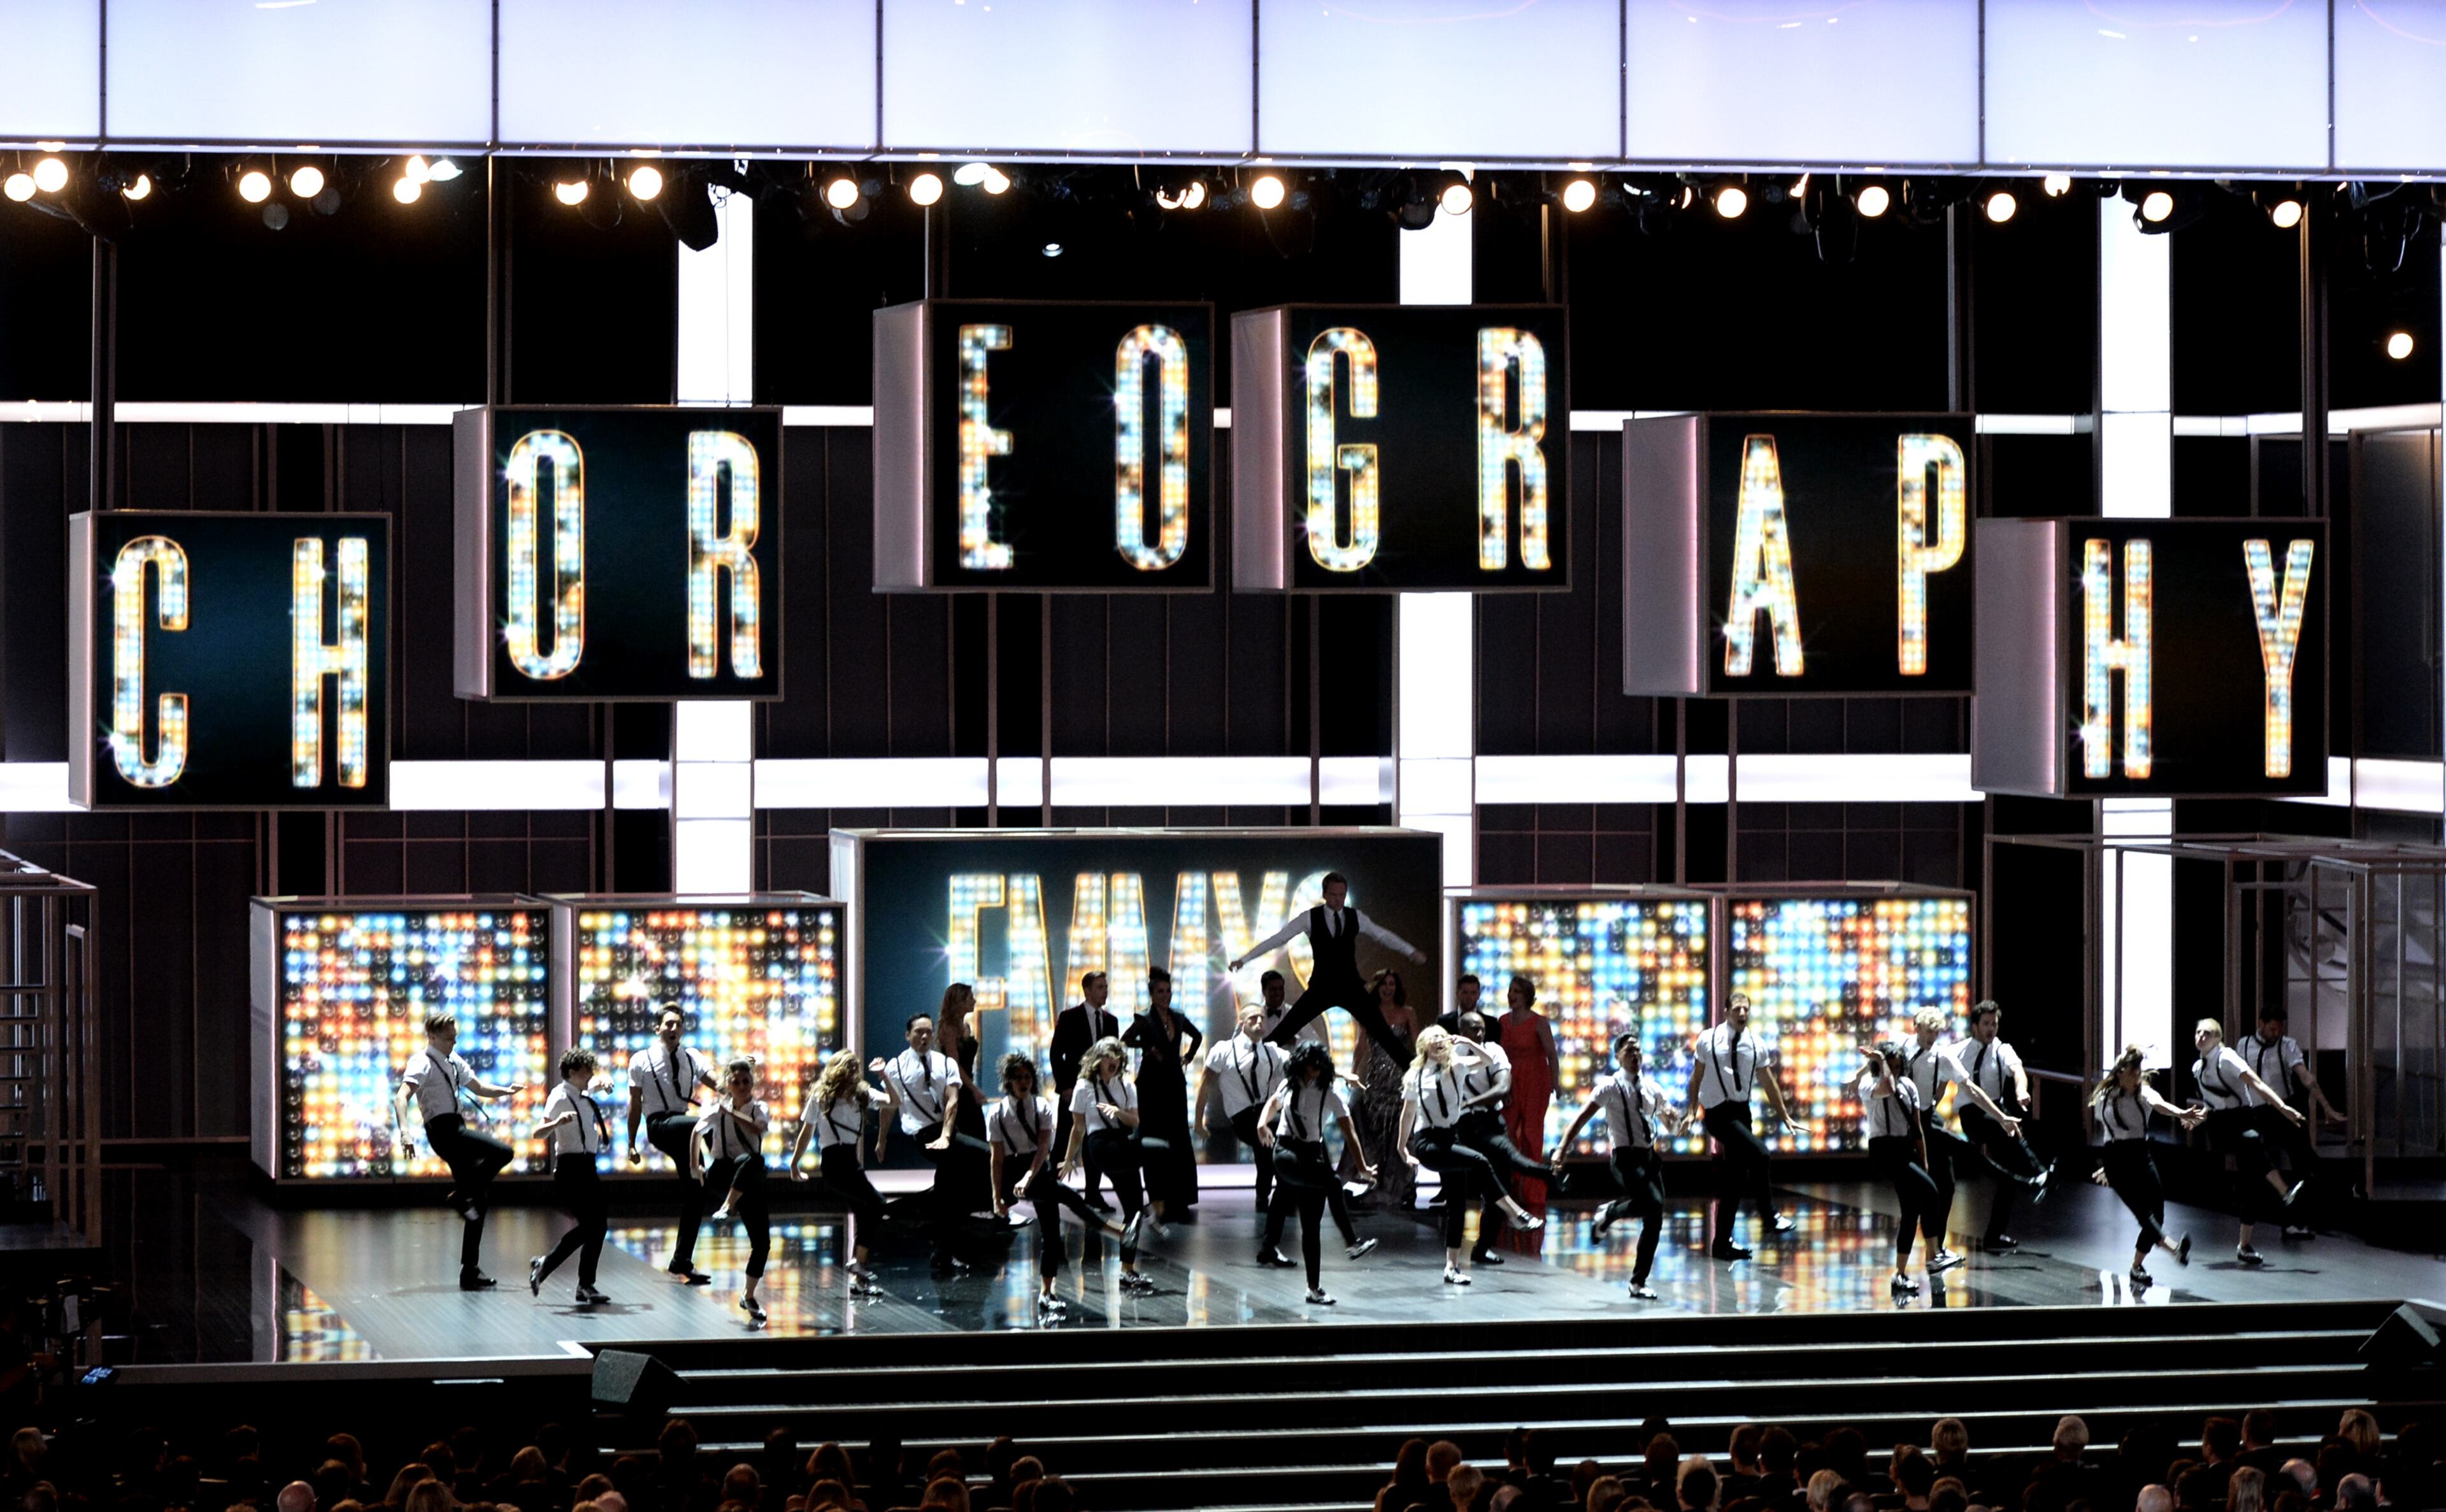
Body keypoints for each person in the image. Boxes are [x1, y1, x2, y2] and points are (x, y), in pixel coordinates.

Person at [1228, 873, 1429, 1065]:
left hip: (1351, 987)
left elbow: (1382, 935)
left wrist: (1411, 952)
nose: (1338, 899)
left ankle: (1419, 1075)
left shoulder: (1355, 917)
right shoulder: (1310, 918)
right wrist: (1244, 959)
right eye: (1333, 894)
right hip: (1322, 987)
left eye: (1342, 894)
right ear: (1324, 895)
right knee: (1285, 1030)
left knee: (1384, 1034)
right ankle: (1247, 1062)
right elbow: (1280, 938)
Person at [1398, 1025, 1545, 1286]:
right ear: (1423, 1046)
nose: (1439, 1042)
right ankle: (1514, 1213)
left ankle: (1451, 1267)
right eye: (1433, 1039)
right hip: (1427, 1142)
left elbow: (1487, 1060)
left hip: (1450, 1137)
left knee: (1457, 1206)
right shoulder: (1415, 1076)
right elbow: (1408, 1113)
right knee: (1479, 1161)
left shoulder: (1458, 1066)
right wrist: (1402, 1148)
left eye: (1442, 1037)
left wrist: (1467, 1041)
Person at [989, 1052, 1131, 1316]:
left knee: (1052, 1234)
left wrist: (1030, 1176)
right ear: (1008, 1081)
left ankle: (1046, 1291)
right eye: (1018, 1078)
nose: (1024, 1082)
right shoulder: (997, 1113)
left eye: (1028, 1077)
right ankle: (1113, 1230)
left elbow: (1043, 1147)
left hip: (1036, 1171)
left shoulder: (1041, 1106)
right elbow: (997, 1159)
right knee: (1069, 1197)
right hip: (1014, 1172)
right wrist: (997, 1197)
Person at [394, 1011, 520, 1290]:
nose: (453, 1042)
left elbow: (478, 1087)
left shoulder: (453, 1061)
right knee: (504, 1153)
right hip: (444, 1131)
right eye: (449, 1038)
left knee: (479, 1203)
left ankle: (469, 1271)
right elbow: (401, 1097)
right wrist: (405, 1132)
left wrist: (506, 1091)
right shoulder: (422, 1062)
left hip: (455, 1127)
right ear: (433, 1037)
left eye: (455, 1038)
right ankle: (462, 1196)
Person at [1553, 1031, 1685, 1299]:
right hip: (1625, 1158)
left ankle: (1638, 1281)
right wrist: (1561, 1149)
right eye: (1628, 1051)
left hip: (1649, 1158)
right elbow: (1580, 1119)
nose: (1635, 1056)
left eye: (1637, 1051)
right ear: (1618, 1057)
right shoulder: (1609, 1087)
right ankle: (1610, 1212)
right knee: (1654, 1202)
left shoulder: (1653, 1089)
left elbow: (1672, 1126)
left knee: (1654, 1218)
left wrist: (1678, 1120)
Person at [1255, 1040, 1379, 1304]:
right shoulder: (1288, 1085)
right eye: (1312, 1065)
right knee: (1332, 1181)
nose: (1316, 1070)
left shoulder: (1330, 1094)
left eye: (1320, 1066)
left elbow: (1350, 1132)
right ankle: (1352, 1241)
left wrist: (1363, 1168)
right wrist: (1261, 1124)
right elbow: (1272, 1104)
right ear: (1302, 1064)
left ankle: (1314, 1288)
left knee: (1311, 1227)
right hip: (1286, 1153)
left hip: (1312, 1155)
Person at [1904, 1008, 2017, 1273]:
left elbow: (1971, 1089)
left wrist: (2001, 1116)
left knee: (1946, 1186)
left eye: (1936, 1032)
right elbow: (1879, 1063)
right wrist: (1859, 1077)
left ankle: (1936, 1251)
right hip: (1907, 1123)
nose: (1931, 1037)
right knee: (1923, 1191)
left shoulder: (1943, 1056)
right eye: (1927, 1031)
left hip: (1927, 1119)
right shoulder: (1904, 1047)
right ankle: (1927, 1253)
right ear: (1916, 1028)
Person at [1684, 993, 1795, 1262]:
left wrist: (1785, 1116)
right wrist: (1691, 1110)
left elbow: (1769, 1083)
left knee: (1735, 1182)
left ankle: (1721, 1244)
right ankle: (1769, 1216)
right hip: (1718, 1113)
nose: (1742, 1014)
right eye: (1737, 1009)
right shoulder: (1708, 1039)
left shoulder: (1756, 1045)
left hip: (1741, 1113)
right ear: (1726, 1012)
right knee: (1761, 1154)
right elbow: (1696, 1077)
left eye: (1746, 1009)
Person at [1447, 1002, 1558, 1267]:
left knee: (1500, 1182)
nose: (1480, 1035)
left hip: (1490, 1119)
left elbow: (1502, 1087)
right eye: (1474, 1030)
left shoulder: (1493, 1050)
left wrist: (1472, 1102)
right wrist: (1466, 1107)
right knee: (1506, 1157)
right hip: (1465, 1125)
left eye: (1483, 1029)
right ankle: (1548, 1175)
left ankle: (1483, 1246)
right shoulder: (1451, 1055)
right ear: (1462, 1031)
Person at [786, 1047, 898, 1298]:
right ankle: (857, 1266)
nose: (853, 1074)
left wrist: (884, 1076)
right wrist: (795, 1163)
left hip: (850, 1161)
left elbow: (895, 1102)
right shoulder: (822, 1096)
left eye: (855, 1070)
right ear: (837, 1071)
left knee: (865, 1213)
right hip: (834, 1163)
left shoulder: (862, 1095)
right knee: (877, 1205)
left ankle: (858, 1279)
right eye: (848, 1069)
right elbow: (807, 1132)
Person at [2191, 1018, 2305, 1265]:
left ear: (2218, 1038)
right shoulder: (2197, 1068)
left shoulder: (2227, 1057)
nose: (2201, 1037)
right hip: (2222, 1126)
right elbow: (2212, 1104)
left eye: (2207, 1033)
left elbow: (2256, 1083)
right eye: (2198, 1032)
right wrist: (2196, 1118)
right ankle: (2285, 1192)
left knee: (2250, 1185)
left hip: (2242, 1118)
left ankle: (2245, 1246)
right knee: (2252, 1141)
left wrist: (2284, 1108)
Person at [625, 1004, 722, 1285]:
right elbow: (635, 1103)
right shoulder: (641, 1059)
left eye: (677, 1024)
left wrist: (733, 1085)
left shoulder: (692, 1056)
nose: (673, 1029)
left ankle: (681, 1261)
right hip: (660, 1126)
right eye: (668, 1024)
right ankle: (724, 1164)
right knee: (704, 1121)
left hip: (685, 1130)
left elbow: (713, 1080)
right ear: (658, 1029)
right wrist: (631, 1143)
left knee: (696, 1195)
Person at [881, 1005, 983, 1269]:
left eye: (928, 1032)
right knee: (981, 1159)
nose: (924, 1037)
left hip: (946, 1132)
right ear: (908, 1036)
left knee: (949, 1188)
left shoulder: (945, 1062)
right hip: (923, 1134)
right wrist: (881, 1140)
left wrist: (948, 1135)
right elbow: (890, 1106)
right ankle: (914, 1216)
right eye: (918, 1033)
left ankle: (939, 1246)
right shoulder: (896, 1067)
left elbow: (953, 1099)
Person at [2089, 1044, 2200, 1284]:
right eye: (2132, 1074)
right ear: (2120, 1073)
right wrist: (2108, 1167)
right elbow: (2110, 1134)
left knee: (2157, 1212)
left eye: (2139, 1073)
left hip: (2140, 1153)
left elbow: (2160, 1105)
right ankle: (2174, 1249)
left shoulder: (2144, 1093)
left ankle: (2137, 1266)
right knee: (2142, 1212)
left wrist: (2182, 1113)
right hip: (2116, 1157)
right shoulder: (2105, 1098)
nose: (2137, 1078)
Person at [1057, 1036, 1161, 1294]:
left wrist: (1119, 1113)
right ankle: (1156, 1204)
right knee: (1161, 1150)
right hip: (1101, 1146)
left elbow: (1135, 1123)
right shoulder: (1084, 1087)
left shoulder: (1127, 1087)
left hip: (1122, 1144)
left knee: (1132, 1210)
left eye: (1117, 1056)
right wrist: (1070, 1158)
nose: (1113, 1061)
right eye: (1108, 1056)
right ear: (1098, 1060)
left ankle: (1128, 1270)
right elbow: (1078, 1127)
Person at [1949, 1001, 2053, 1253]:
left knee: (2009, 1177)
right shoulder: (1959, 1051)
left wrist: (2021, 1091)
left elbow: (2017, 1071)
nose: (1991, 1029)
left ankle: (1994, 1236)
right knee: (2007, 1128)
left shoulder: (2001, 1049)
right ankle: (2040, 1174)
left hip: (1998, 1109)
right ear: (1975, 1026)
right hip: (1973, 1114)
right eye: (1986, 1024)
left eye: (1994, 1024)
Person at [2237, 1006, 2343, 1236]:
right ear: (2261, 1023)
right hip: (2255, 1112)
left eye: (2279, 1029)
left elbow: (2305, 1076)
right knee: (2258, 1164)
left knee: (2305, 1162)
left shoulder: (2287, 1045)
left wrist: (2326, 1107)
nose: (2276, 1034)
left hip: (2283, 1111)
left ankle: (2303, 1218)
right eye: (2272, 1029)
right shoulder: (2243, 1045)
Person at [1854, 1041, 1947, 1295]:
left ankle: (1900, 1274)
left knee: (1912, 1209)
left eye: (1897, 1066)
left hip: (1904, 1148)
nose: (1893, 1071)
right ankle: (1934, 1255)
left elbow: (1917, 1128)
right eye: (1889, 1065)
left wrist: (1924, 1161)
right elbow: (1887, 1087)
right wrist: (1881, 1063)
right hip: (1883, 1149)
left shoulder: (1910, 1087)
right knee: (1931, 1193)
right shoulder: (1869, 1085)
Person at [693, 1055, 775, 1322]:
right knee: (751, 1161)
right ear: (727, 1084)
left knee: (762, 1242)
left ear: (752, 1084)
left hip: (747, 1180)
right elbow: (696, 1132)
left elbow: (758, 1128)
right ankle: (727, 1205)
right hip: (722, 1174)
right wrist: (696, 1166)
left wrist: (733, 1114)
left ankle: (748, 1295)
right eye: (736, 1082)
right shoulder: (718, 1109)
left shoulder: (758, 1108)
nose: (741, 1086)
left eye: (745, 1082)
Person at [529, 1047, 613, 1304]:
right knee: (591, 1226)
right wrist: (557, 1123)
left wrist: (603, 1082)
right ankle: (550, 1265)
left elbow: (593, 1087)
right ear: (573, 1072)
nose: (591, 1075)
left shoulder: (582, 1094)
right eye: (587, 1071)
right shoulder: (559, 1096)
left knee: (598, 1227)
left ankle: (585, 1285)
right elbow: (538, 1133)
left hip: (588, 1166)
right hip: (570, 1169)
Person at [1198, 1000, 1289, 1220]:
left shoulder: (1271, 1051)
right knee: (1266, 1144)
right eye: (1253, 1019)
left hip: (1266, 1114)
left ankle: (1269, 1194)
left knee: (1272, 1145)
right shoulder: (1224, 1050)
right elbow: (1205, 1084)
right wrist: (1197, 1120)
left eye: (1262, 1018)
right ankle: (1268, 1193)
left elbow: (1302, 1064)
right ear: (1242, 1024)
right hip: (1242, 1116)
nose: (1259, 1022)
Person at [1124, 967, 1204, 1212]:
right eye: (1161, 991)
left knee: (1180, 1137)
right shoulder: (1144, 1018)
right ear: (1152, 994)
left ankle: (1182, 1195)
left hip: (1175, 1083)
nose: (1166, 995)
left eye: (1168, 991)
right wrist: (1147, 1049)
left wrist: (1188, 1057)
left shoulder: (1178, 1017)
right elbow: (1125, 1040)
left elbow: (1197, 1036)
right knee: (1154, 1140)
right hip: (1150, 1086)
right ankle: (1158, 1195)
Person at [1345, 968, 1420, 1211]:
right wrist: (1353, 1070)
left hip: (1401, 1080)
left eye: (1392, 984)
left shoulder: (1408, 1013)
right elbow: (1361, 1045)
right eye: (1384, 984)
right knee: (1377, 1133)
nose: (1389, 988)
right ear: (1377, 988)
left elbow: (1418, 1045)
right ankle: (1375, 1184)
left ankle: (1404, 1187)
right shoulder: (1369, 1013)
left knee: (1400, 1134)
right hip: (1377, 1080)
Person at [1048, 972, 1122, 1211]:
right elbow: (1055, 1053)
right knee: (1063, 1141)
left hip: (1099, 1092)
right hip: (1074, 1090)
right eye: (1101, 987)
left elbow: (1114, 1058)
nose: (1105, 991)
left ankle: (1093, 1194)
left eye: (1106, 987)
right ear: (1087, 990)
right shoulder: (1069, 1017)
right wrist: (1065, 1086)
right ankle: (1050, 1189)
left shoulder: (1112, 1021)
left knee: (1095, 1141)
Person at [1493, 975, 1559, 1192]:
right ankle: (1509, 1185)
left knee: (1531, 1134)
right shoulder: (1503, 1021)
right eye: (1511, 991)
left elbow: (1551, 1054)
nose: (1512, 995)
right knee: (1507, 1132)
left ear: (1527, 996)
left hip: (1535, 1082)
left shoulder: (1539, 1022)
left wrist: (1556, 1082)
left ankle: (1532, 1189)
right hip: (1511, 1080)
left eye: (1517, 992)